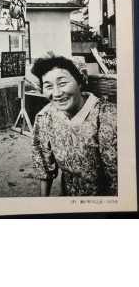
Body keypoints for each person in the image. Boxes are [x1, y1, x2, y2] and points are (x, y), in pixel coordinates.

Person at [31, 55, 117, 197]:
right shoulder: (45, 117)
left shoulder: (108, 117)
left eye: (63, 83)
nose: (57, 93)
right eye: (48, 86)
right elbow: (44, 166)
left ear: (80, 81)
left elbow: (118, 179)